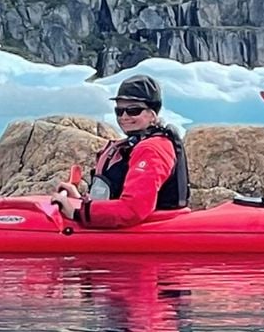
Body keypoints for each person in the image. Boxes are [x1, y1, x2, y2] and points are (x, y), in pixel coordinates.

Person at [52, 75, 190, 227]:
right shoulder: (136, 144)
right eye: (119, 110)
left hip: (147, 233)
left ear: (152, 114)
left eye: (133, 110)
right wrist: (79, 200)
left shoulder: (151, 150)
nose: (124, 117)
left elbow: (132, 209)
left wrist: (76, 213)